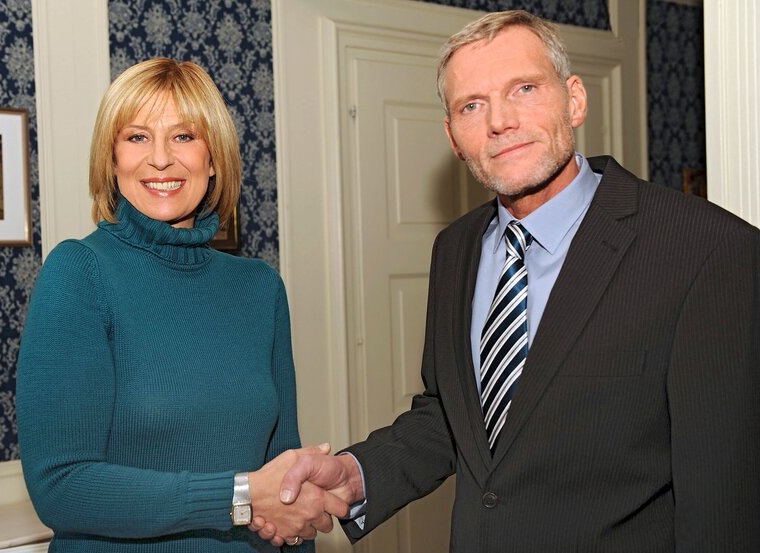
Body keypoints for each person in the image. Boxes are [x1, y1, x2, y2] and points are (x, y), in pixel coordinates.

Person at [252, 10, 760, 552]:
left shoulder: (705, 250)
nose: (500, 121)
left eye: (524, 88)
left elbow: (724, 496)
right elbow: (455, 418)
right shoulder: (457, 249)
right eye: (472, 105)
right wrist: (356, 476)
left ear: (575, 100)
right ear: (452, 136)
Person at [16, 58, 347, 552]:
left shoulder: (260, 288)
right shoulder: (79, 273)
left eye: (184, 136)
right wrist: (240, 497)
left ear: (213, 159)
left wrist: (276, 511)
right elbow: (62, 488)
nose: (161, 159)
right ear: (111, 159)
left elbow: (287, 481)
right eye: (137, 137)